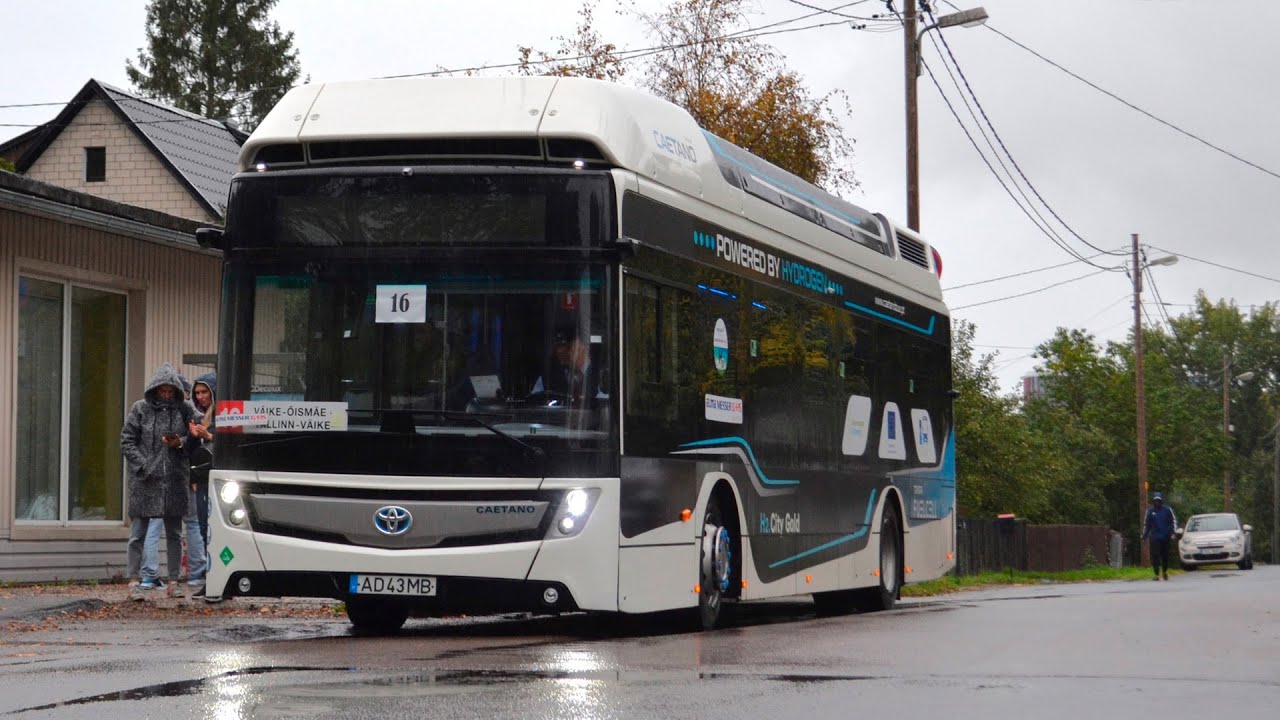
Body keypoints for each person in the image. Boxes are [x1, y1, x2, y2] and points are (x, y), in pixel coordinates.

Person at [120, 363, 194, 600]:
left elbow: (197, 435)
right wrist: (142, 465)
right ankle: (134, 580)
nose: (165, 395)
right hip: (144, 480)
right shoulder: (140, 409)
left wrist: (180, 442)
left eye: (169, 391)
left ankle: (174, 580)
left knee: (174, 532)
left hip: (174, 479)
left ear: (175, 391)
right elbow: (127, 440)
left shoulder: (184, 410)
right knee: (138, 531)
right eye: (162, 391)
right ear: (155, 389)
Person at [1142, 491, 1178, 581]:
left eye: (1159, 500)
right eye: (1155, 500)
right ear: (1153, 501)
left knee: (1165, 556)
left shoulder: (1167, 510)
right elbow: (1146, 524)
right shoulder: (1150, 511)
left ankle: (1165, 572)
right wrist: (1144, 535)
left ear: (1161, 501)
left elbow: (1173, 521)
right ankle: (1156, 574)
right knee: (1155, 556)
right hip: (1155, 537)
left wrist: (1173, 532)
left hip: (1165, 537)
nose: (1157, 502)